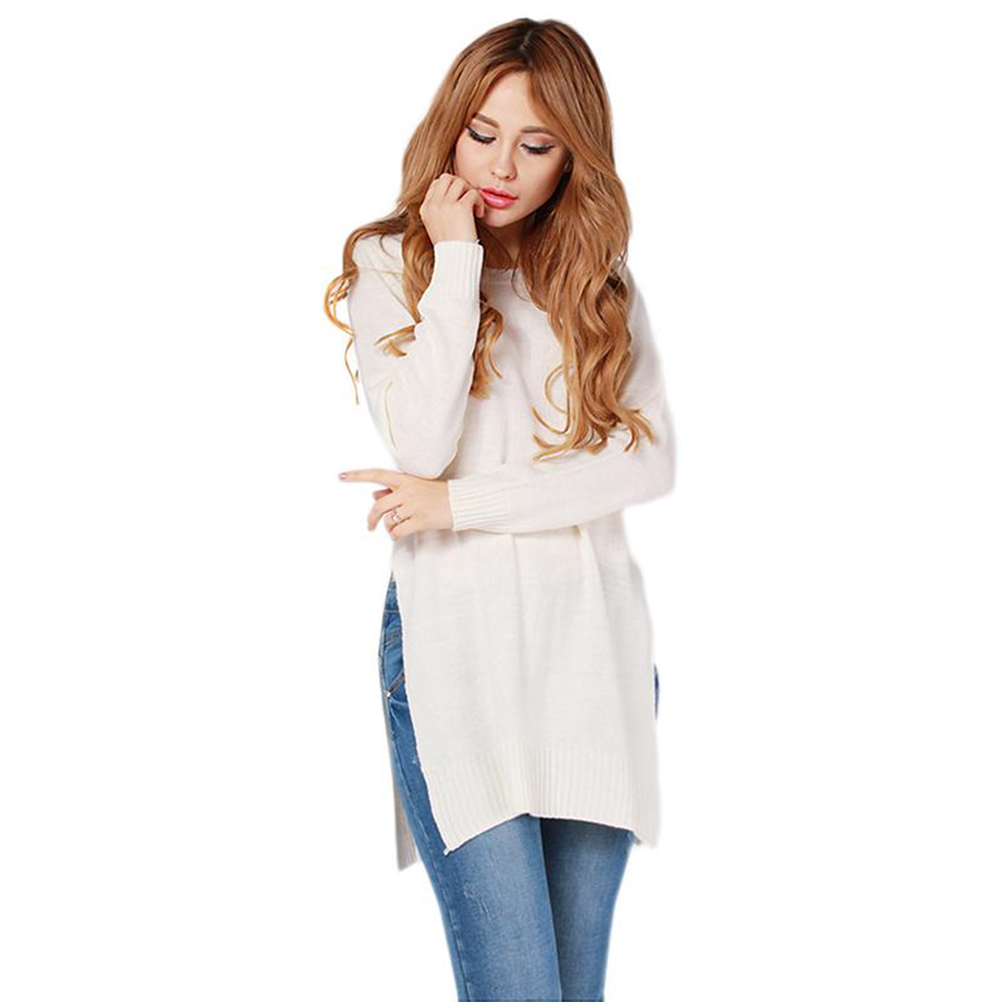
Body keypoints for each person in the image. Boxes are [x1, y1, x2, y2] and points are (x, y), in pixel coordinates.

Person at [325, 18, 676, 1000]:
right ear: (452, 125)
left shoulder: (599, 286)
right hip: (456, 650)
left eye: (536, 144)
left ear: (572, 158)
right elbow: (420, 445)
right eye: (482, 134)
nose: (502, 168)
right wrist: (458, 263)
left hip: (591, 656)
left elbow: (645, 465)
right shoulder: (394, 265)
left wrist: (459, 505)